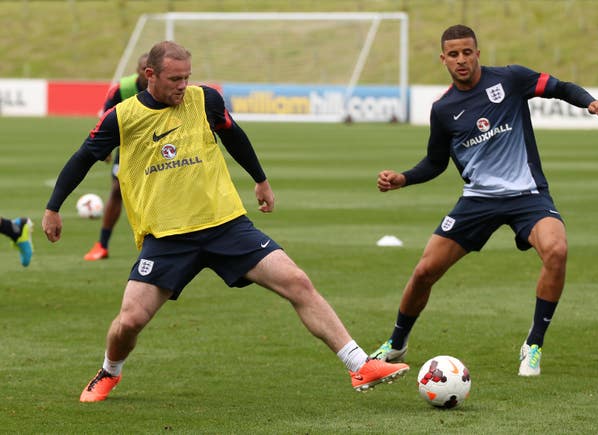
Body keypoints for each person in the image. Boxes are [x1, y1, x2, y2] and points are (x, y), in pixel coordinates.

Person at [42, 40, 409, 402]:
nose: (183, 86)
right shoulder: (122, 117)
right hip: (168, 238)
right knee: (131, 320)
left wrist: (260, 179)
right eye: (175, 79)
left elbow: (234, 135)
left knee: (296, 281)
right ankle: (109, 371)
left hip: (226, 225)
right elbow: (82, 158)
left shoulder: (205, 100)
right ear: (150, 75)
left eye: (187, 77)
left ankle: (360, 364)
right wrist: (53, 207)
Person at [369, 25, 598, 377]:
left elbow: (559, 87)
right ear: (443, 59)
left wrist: (590, 101)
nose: (461, 60)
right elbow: (436, 163)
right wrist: (403, 178)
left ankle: (534, 344)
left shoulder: (511, 79)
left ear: (477, 52)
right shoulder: (443, 109)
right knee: (424, 271)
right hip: (478, 200)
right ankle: (396, 342)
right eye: (453, 54)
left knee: (557, 251)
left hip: (527, 194)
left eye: (467, 52)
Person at [83, 53, 149, 261]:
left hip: (161, 147)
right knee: (116, 190)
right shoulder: (122, 89)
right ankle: (102, 244)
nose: (149, 76)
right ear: (139, 71)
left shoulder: (166, 87)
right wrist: (106, 148)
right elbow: (106, 117)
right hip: (130, 148)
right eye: (145, 71)